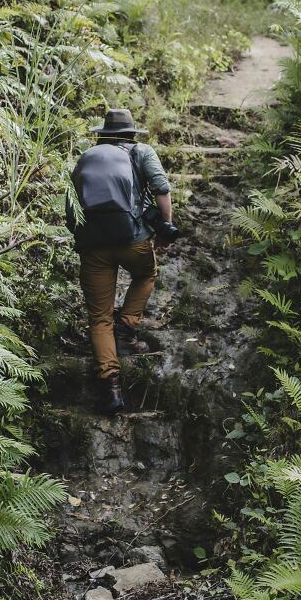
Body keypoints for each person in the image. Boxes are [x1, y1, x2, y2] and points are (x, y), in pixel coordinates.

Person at [67, 108, 178, 415]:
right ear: (131, 134)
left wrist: (83, 237)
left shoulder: (87, 157)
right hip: (134, 241)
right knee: (146, 275)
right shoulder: (141, 151)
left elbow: (71, 204)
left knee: (98, 318)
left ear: (102, 134)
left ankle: (111, 388)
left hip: (93, 246)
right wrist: (165, 229)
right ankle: (126, 330)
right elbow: (162, 190)